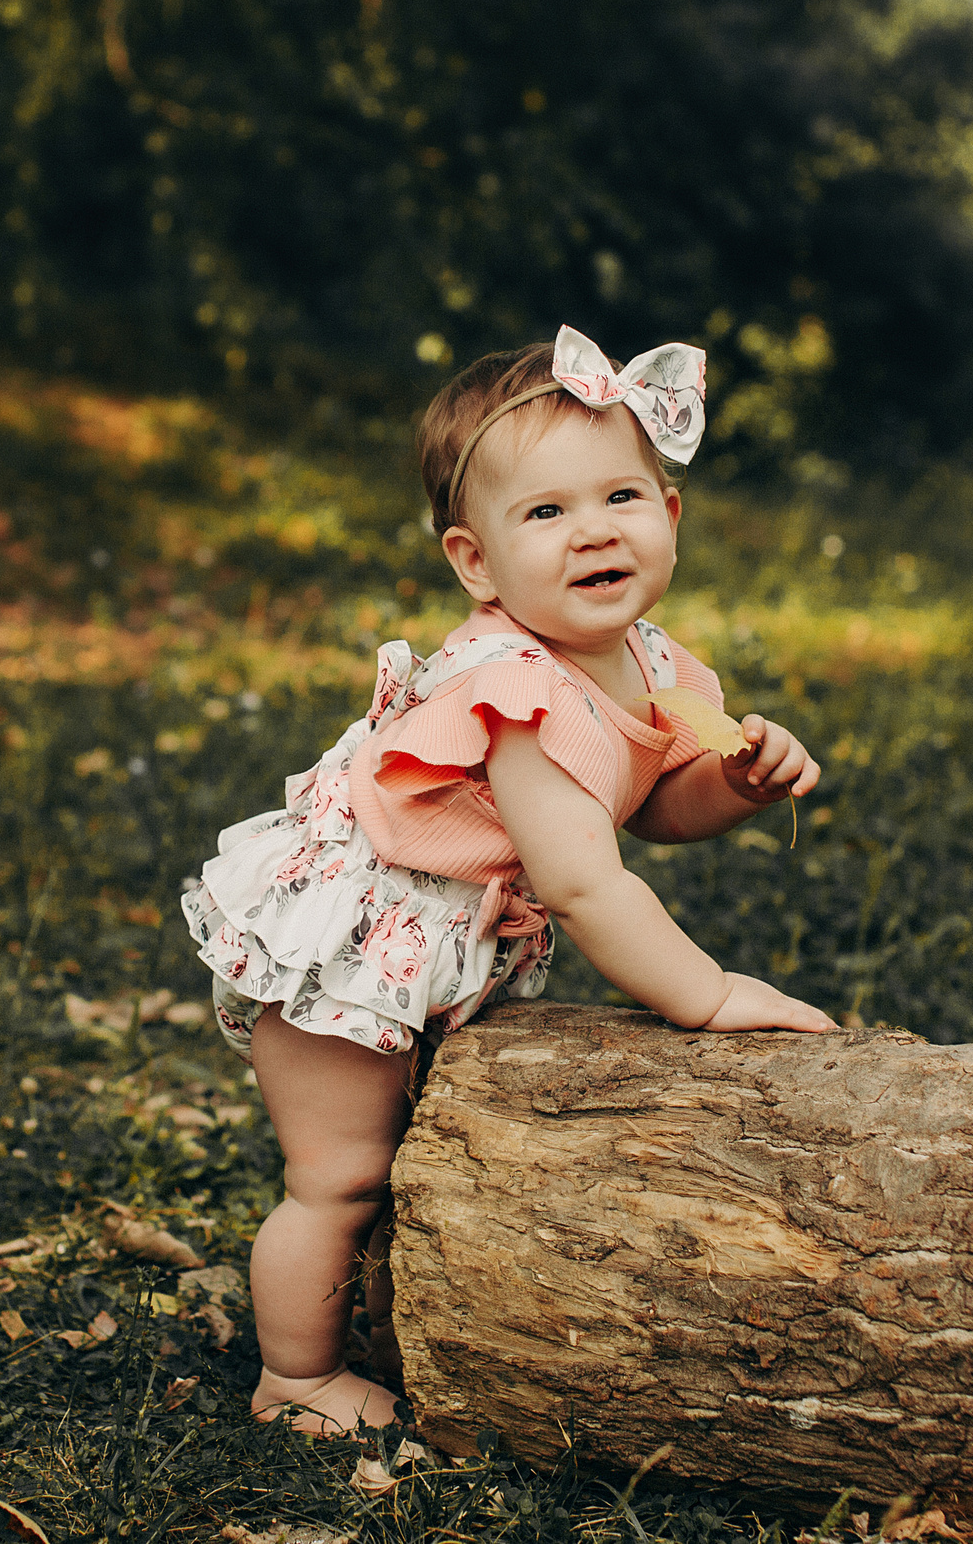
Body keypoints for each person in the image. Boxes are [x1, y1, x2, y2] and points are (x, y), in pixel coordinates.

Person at [180, 326, 836, 1436]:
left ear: (668, 519)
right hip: (347, 951)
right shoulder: (515, 695)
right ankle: (292, 1380)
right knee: (339, 1173)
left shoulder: (653, 663)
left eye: (620, 496)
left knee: (410, 1161)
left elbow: (653, 809)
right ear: (475, 561)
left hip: (442, 941)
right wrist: (707, 994)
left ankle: (402, 1312)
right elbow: (585, 883)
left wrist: (732, 783)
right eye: (545, 513)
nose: (593, 532)